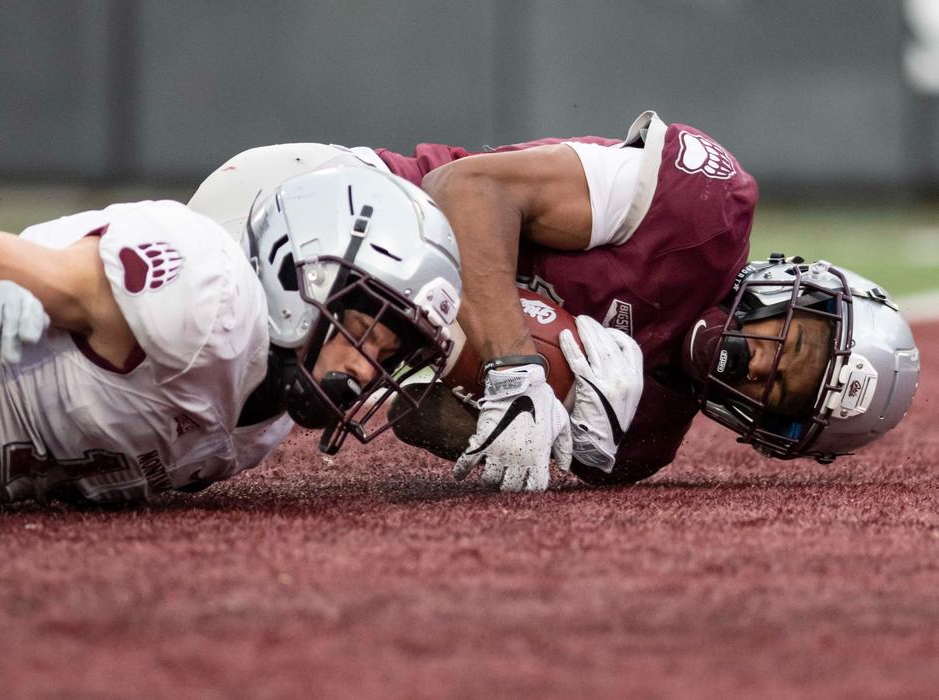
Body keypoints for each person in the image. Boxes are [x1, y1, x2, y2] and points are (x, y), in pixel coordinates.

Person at [191, 110, 920, 492]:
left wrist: (521, 427)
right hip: (334, 215)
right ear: (797, 290)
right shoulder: (703, 210)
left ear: (769, 433)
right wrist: (518, 367)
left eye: (779, 393)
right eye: (789, 342)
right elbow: (467, 188)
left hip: (339, 352)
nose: (756, 363)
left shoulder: (639, 445)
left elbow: (417, 418)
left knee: (170, 451)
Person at [0, 166, 462, 509]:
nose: (365, 373)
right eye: (361, 333)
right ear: (296, 273)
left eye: (388, 357)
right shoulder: (203, 297)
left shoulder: (264, 426)